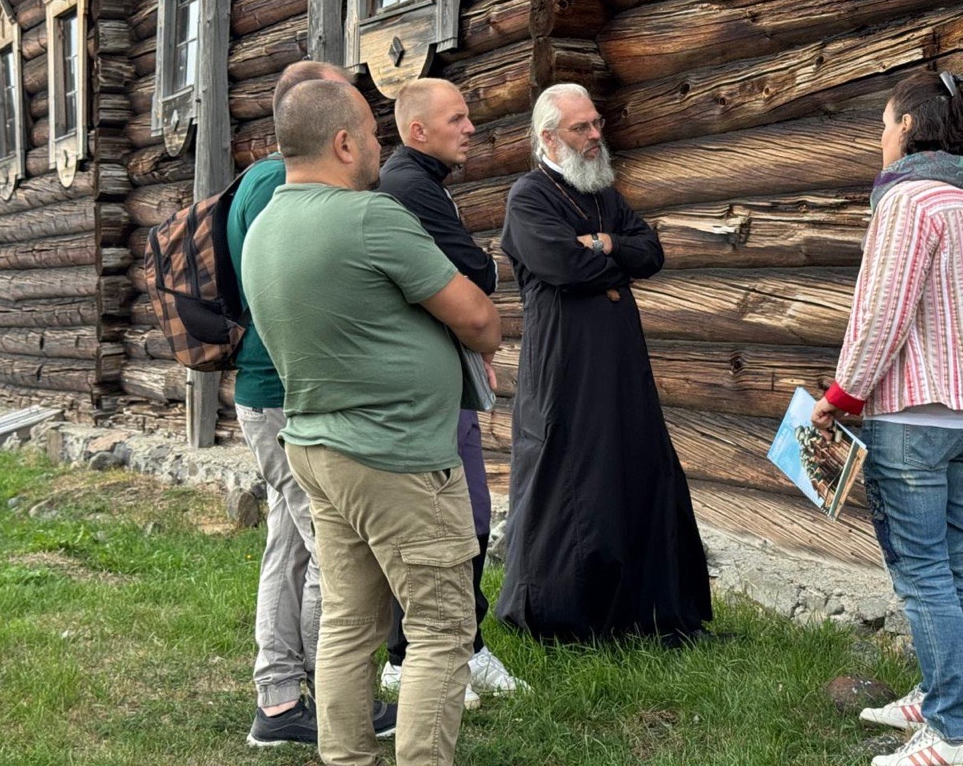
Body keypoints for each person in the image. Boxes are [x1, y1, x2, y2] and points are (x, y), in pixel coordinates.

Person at [242, 77, 502, 766]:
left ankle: (347, 758)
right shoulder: (367, 217)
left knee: (350, 625)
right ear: (343, 141)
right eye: (374, 134)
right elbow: (478, 317)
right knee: (443, 628)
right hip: (398, 459)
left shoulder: (266, 226)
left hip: (317, 450)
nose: (380, 148)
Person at [810, 70, 963, 766]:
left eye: (883, 125)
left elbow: (881, 315)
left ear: (906, 127)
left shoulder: (907, 203)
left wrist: (841, 396)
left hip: (913, 418)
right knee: (953, 564)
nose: (880, 139)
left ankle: (953, 736)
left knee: (923, 573)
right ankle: (937, 695)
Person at [495, 83, 712, 644]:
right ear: (548, 137)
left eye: (596, 124)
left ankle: (646, 610)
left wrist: (608, 246)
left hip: (620, 362)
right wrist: (609, 257)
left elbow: (652, 251)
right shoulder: (528, 197)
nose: (595, 136)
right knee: (572, 478)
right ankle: (563, 614)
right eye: (581, 128)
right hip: (566, 364)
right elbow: (564, 266)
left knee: (637, 467)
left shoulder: (603, 194)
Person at [229, 60, 396, 747]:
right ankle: (338, 706)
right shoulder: (283, 184)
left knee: (288, 546)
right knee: (333, 554)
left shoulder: (255, 182)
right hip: (285, 392)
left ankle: (277, 701)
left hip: (265, 389)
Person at [377, 77, 526, 705]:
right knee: (449, 518)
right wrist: (484, 271)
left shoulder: (421, 183)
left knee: (464, 516)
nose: (471, 128)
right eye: (458, 118)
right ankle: (413, 657)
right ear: (418, 131)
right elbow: (477, 272)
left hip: (445, 368)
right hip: (426, 384)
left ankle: (456, 646)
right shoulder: (410, 186)